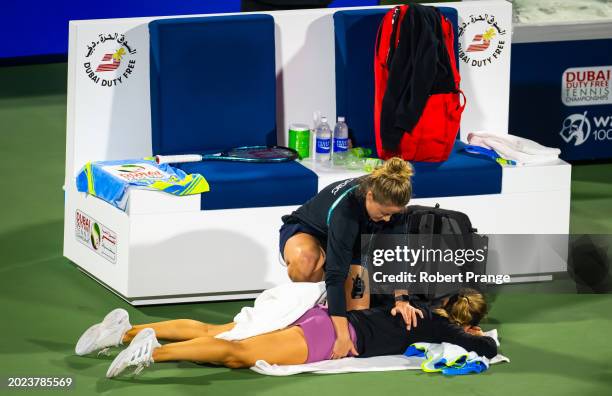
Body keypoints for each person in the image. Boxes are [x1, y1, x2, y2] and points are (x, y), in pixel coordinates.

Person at [75, 288, 497, 378]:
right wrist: (476, 335)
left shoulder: (407, 301)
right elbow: (482, 346)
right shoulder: (443, 326)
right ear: (464, 318)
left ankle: (126, 333)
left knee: (218, 330)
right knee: (236, 352)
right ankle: (150, 352)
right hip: (323, 339)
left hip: (312, 316)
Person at [279, 158, 423, 359]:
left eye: (393, 214)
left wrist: (402, 300)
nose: (388, 219)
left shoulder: (392, 207)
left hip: (354, 242)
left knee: (358, 314)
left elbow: (396, 255)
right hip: (309, 232)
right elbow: (336, 276)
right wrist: (342, 335)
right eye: (384, 213)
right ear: (370, 196)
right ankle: (306, 310)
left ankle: (330, 306)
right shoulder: (347, 211)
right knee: (306, 261)